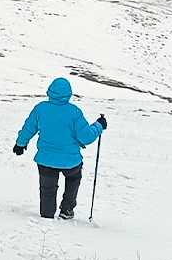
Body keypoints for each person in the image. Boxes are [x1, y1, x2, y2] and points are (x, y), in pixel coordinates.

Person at [13, 77, 107, 220]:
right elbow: (86, 137)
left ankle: (46, 214)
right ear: (69, 93)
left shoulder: (41, 108)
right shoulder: (74, 112)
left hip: (46, 160)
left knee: (47, 189)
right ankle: (67, 209)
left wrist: (20, 143)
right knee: (74, 179)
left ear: (50, 91)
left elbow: (28, 128)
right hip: (71, 160)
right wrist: (99, 125)